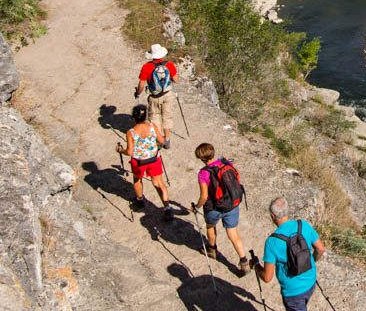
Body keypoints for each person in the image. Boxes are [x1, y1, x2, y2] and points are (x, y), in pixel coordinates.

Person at [250, 197, 327, 311]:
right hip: (311, 281)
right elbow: (320, 249)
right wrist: (310, 261)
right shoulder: (303, 225)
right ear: (287, 211)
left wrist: (256, 266)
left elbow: (267, 277)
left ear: (272, 216)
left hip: (293, 293)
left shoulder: (272, 242)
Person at [191, 142, 249, 277]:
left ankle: (212, 250)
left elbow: (204, 196)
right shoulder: (226, 163)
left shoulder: (203, 173)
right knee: (233, 234)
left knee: (211, 226)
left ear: (201, 158)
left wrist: (197, 207)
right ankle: (244, 261)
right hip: (231, 204)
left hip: (214, 207)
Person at [115, 104, 174, 219]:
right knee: (158, 183)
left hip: (139, 161)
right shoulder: (152, 126)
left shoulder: (131, 133)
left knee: (137, 179)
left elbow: (130, 152)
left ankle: (140, 200)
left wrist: (121, 151)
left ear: (134, 117)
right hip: (153, 159)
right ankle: (167, 207)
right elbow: (162, 140)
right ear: (145, 116)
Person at [134, 43, 178, 142]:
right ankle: (167, 139)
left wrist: (138, 93)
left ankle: (159, 139)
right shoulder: (169, 65)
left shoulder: (146, 67)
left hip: (154, 96)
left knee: (155, 118)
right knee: (167, 116)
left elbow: (141, 85)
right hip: (167, 95)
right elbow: (176, 80)